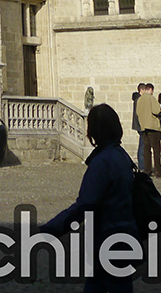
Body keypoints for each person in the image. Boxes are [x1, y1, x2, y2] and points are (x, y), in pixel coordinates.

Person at [43, 103, 138, 292]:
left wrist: (51, 229)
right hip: (125, 234)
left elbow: (85, 205)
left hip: (109, 238)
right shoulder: (122, 156)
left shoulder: (102, 162)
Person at [136, 83, 161, 177]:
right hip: (153, 127)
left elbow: (137, 112)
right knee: (156, 150)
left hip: (144, 127)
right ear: (151, 89)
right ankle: (158, 171)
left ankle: (147, 169)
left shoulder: (140, 99)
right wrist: (160, 109)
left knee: (146, 149)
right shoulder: (151, 98)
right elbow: (156, 111)